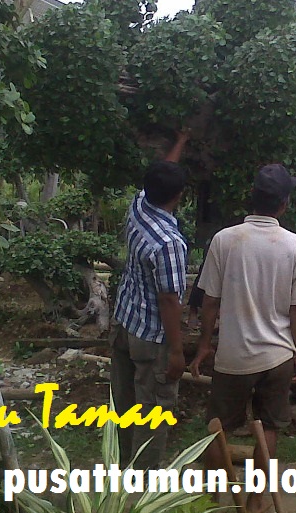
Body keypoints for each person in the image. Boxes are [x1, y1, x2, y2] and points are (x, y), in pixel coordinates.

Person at [189, 164, 296, 513]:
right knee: (269, 427)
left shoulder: (225, 240)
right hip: (277, 357)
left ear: (252, 198)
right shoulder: (295, 246)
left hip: (233, 356)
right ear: (284, 204)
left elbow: (210, 301)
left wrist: (204, 346)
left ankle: (213, 500)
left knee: (218, 427)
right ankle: (257, 503)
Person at [110, 157, 188, 470]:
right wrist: (178, 352)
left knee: (125, 404)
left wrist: (180, 143)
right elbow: (169, 300)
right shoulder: (169, 243)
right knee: (154, 411)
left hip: (125, 322)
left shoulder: (139, 206)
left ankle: (122, 467)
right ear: (180, 195)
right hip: (152, 338)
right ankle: (145, 484)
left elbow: (161, 172)